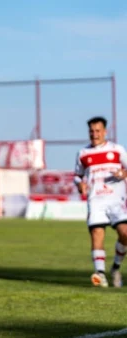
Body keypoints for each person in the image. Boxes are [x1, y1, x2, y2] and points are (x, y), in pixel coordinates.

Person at [74, 116, 126, 288]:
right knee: (97, 233)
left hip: (117, 200)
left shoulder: (117, 150)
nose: (94, 134)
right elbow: (77, 175)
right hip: (96, 200)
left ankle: (116, 267)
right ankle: (100, 274)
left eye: (97, 131)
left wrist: (123, 174)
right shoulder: (83, 153)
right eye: (91, 131)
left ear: (105, 132)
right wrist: (80, 184)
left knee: (125, 234)